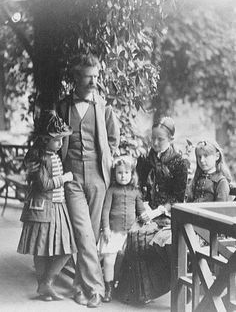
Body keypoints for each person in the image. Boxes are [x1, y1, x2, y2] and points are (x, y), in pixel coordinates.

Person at [57, 53, 120, 307]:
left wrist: (107, 160)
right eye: (88, 77)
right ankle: (96, 288)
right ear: (76, 78)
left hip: (97, 177)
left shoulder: (104, 107)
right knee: (83, 234)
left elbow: (113, 140)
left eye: (96, 77)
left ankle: (79, 288)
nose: (94, 81)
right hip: (71, 177)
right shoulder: (63, 107)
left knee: (91, 235)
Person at [116, 116, 188, 304]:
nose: (155, 143)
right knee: (133, 234)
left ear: (171, 139)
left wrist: (157, 211)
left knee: (146, 238)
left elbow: (177, 198)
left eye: (160, 139)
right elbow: (137, 186)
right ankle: (133, 291)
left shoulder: (179, 163)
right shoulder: (146, 159)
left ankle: (147, 292)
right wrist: (144, 205)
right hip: (145, 211)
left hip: (167, 215)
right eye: (153, 138)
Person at [17, 110, 77, 301]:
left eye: (61, 139)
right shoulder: (41, 158)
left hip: (57, 207)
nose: (60, 143)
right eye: (56, 139)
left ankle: (46, 283)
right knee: (40, 248)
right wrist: (65, 178)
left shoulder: (53, 155)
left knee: (67, 248)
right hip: (42, 208)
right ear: (45, 140)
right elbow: (44, 185)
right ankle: (44, 285)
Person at [99, 156, 148, 303]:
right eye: (120, 173)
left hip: (130, 233)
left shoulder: (136, 192)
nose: (123, 176)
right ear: (115, 174)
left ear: (132, 174)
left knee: (124, 260)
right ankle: (108, 289)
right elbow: (105, 211)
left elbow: (141, 211)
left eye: (127, 173)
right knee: (109, 260)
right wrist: (106, 228)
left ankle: (119, 285)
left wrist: (147, 217)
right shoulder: (111, 191)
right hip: (113, 232)